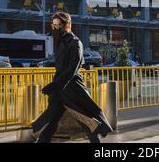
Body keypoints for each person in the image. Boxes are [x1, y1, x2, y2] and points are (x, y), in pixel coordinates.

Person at [32, 12, 113, 143]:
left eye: (59, 25)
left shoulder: (75, 43)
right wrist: (55, 85)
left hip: (72, 88)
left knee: (85, 121)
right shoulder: (59, 41)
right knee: (51, 121)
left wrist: (55, 85)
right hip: (60, 89)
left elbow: (72, 69)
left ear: (68, 24)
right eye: (54, 25)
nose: (56, 28)